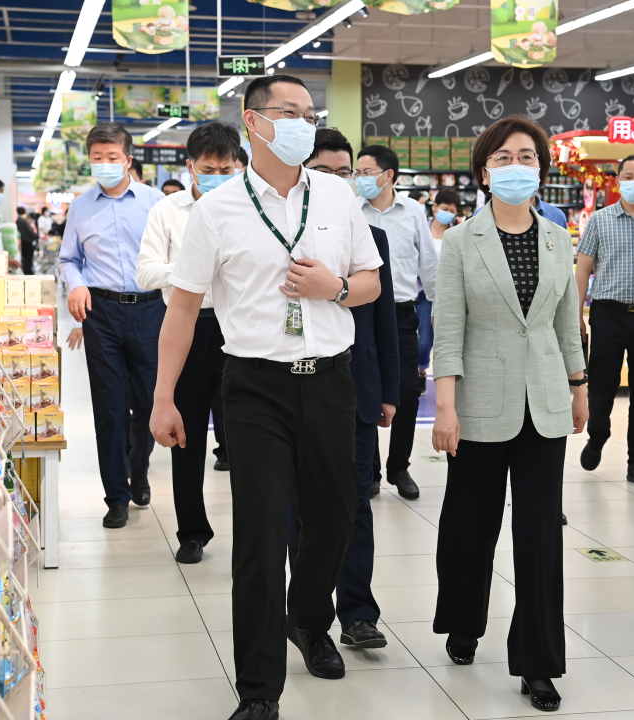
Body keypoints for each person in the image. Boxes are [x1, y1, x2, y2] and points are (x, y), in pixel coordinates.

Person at [149, 75, 382, 720]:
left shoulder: (336, 195)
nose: (306, 123)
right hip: (255, 386)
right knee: (259, 536)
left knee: (335, 518)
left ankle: (306, 617)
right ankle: (258, 690)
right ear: (254, 122)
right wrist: (164, 397)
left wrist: (336, 289)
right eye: (291, 112)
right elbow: (183, 309)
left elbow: (369, 280)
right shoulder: (216, 210)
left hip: (329, 378)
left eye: (311, 113)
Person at [431, 117, 587, 713]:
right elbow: (449, 331)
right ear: (483, 172)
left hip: (544, 401)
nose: (516, 166)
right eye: (503, 158)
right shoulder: (460, 242)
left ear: (541, 169)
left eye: (527, 157)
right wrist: (445, 407)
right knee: (470, 526)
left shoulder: (557, 238)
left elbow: (566, 322)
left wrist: (579, 387)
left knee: (540, 535)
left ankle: (538, 661)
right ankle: (464, 619)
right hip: (478, 404)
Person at [291, 126, 399, 649]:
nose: (337, 181)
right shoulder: (282, 232)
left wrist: (389, 390)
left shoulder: (372, 237)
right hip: (295, 386)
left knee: (354, 503)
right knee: (298, 509)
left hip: (355, 388)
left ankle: (359, 613)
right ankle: (306, 615)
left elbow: (384, 322)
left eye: (345, 172)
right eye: (324, 171)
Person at [136, 121, 240, 564]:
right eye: (208, 169)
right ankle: (192, 531)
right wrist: (191, 273)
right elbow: (145, 271)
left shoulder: (248, 207)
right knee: (187, 435)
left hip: (239, 329)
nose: (217, 175)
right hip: (187, 327)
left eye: (226, 169)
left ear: (238, 166)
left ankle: (253, 533)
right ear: (191, 166)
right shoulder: (168, 211)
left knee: (245, 436)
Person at [60, 122, 166, 529]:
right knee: (109, 407)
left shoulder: (155, 203)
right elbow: (69, 259)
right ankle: (117, 496)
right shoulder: (81, 207)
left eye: (112, 157)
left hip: (150, 310)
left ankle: (138, 466)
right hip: (101, 313)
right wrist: (76, 285)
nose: (104, 163)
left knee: (149, 401)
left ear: (128, 159)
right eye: (97, 158)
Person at [576, 155, 634, 487]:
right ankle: (598, 435)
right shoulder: (599, 220)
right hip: (608, 314)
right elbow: (583, 269)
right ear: (617, 180)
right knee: (602, 387)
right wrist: (577, 315)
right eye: (628, 176)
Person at [357, 144, 439, 501]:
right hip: (361, 311)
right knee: (364, 390)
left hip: (402, 312)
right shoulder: (352, 209)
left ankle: (399, 466)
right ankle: (370, 471)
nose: (359, 179)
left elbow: (428, 262)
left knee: (407, 390)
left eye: (366, 172)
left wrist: (437, 306)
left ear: (388, 175)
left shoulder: (413, 211)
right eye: (357, 173)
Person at [417, 189, 459, 380]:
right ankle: (421, 370)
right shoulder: (422, 229)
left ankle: (445, 376)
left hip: (449, 292)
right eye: (444, 208)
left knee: (445, 338)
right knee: (424, 339)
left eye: (452, 210)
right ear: (434, 207)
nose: (447, 213)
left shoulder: (457, 232)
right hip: (424, 291)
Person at [15, 206, 37, 275]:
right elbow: (30, 232)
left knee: (24, 258)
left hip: (21, 242)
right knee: (29, 259)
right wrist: (37, 236)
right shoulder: (25, 221)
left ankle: (25, 271)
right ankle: (28, 272)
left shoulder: (17, 221)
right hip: (28, 242)